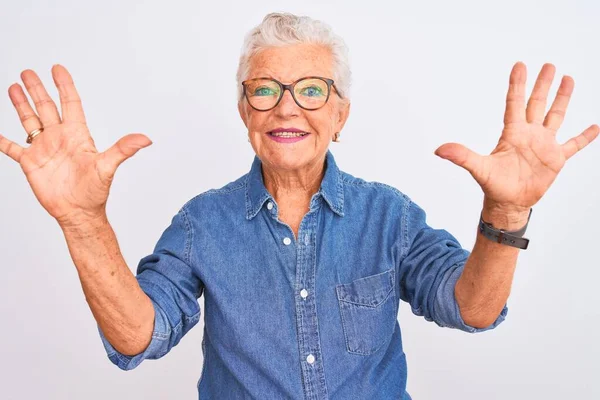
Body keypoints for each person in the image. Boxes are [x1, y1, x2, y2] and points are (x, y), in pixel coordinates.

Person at [1, 11, 597, 400]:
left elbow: (471, 309)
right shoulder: (200, 224)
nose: (286, 107)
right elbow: (139, 336)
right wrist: (82, 219)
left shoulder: (389, 216)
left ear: (340, 116)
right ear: (244, 111)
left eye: (312, 90)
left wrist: (508, 214)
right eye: (264, 89)